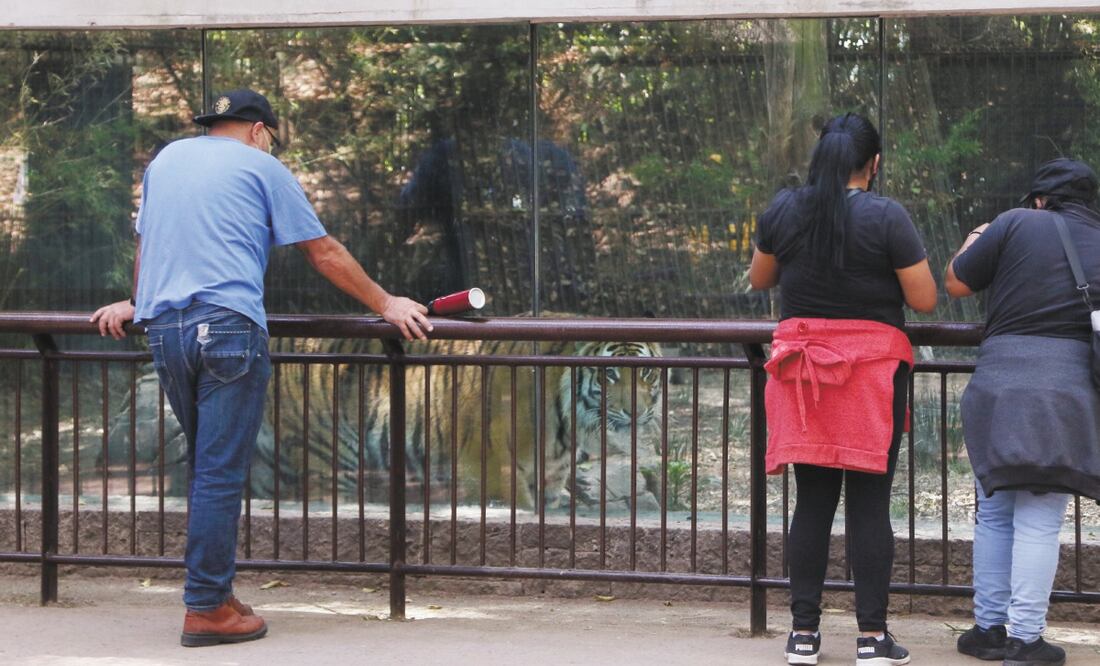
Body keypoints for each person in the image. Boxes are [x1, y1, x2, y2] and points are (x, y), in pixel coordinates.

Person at [90, 89, 433, 647]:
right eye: (270, 136)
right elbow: (322, 252)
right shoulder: (262, 166)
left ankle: (217, 597)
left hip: (167, 330)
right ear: (258, 130)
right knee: (219, 473)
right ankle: (205, 608)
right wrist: (386, 303)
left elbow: (149, 242)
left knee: (207, 469)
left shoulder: (166, 161)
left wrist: (140, 300)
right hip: (226, 328)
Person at [749, 112, 937, 666]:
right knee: (869, 503)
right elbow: (924, 300)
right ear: (873, 164)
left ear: (820, 159)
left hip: (805, 376)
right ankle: (872, 638)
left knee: (812, 502)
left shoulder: (785, 209)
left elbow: (761, 279)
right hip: (871, 378)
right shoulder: (887, 217)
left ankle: (802, 635)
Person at [946, 157, 1100, 666]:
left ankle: (987, 629)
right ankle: (1026, 639)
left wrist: (976, 233)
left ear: (1039, 199)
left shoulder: (1014, 224)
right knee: (1039, 517)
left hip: (997, 383)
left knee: (994, 508)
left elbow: (956, 282)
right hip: (1063, 391)